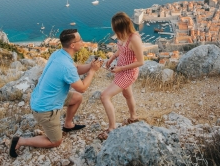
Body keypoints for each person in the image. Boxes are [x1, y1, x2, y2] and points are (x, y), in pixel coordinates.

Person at [9, 29, 102, 157]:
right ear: (72, 45)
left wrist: (91, 66)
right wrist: (92, 72)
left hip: (44, 97)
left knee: (76, 98)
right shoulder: (65, 65)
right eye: (79, 40)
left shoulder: (59, 54)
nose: (82, 41)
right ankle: (20, 141)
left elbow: (76, 69)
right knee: (56, 141)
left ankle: (68, 124)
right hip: (45, 109)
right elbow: (82, 88)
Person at [98, 12, 144, 140]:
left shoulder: (134, 39)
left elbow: (141, 62)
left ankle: (112, 128)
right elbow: (122, 49)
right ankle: (133, 118)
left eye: (116, 29)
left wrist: (121, 68)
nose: (114, 31)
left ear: (122, 27)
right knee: (127, 95)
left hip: (128, 73)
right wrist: (112, 57)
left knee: (105, 96)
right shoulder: (122, 36)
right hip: (120, 70)